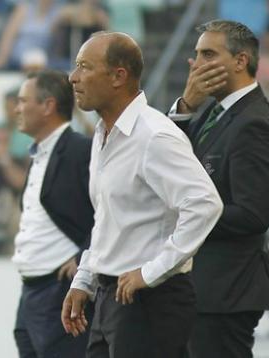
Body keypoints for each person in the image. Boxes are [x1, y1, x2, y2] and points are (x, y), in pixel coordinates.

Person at [61, 31, 224, 358]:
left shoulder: (155, 135)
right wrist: (85, 279)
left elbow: (205, 204)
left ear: (118, 76)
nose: (73, 77)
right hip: (111, 297)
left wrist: (150, 272)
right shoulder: (103, 133)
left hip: (152, 300)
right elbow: (109, 219)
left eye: (84, 67)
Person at [168, 19, 269, 357]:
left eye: (208, 54)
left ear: (240, 61)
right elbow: (167, 162)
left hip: (226, 292)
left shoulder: (253, 122)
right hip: (203, 290)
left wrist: (188, 217)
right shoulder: (214, 112)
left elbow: (253, 214)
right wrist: (185, 107)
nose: (196, 64)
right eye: (196, 55)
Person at [12, 69, 94, 357]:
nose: (16, 108)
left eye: (23, 101)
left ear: (48, 106)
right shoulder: (39, 154)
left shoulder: (80, 150)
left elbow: (109, 210)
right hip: (30, 291)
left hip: (60, 291)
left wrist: (85, 255)